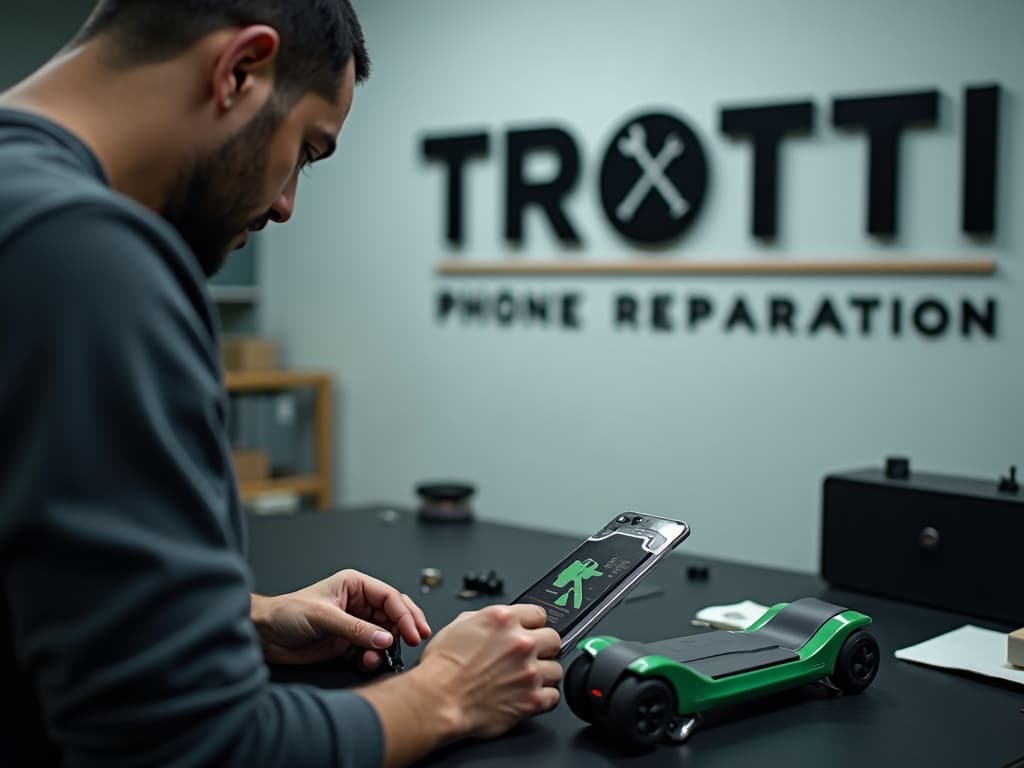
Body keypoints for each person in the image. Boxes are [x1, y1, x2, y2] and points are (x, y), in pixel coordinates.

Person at [0, 2, 562, 766]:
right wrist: (448, 693)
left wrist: (237, 620)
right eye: (305, 150)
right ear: (239, 70)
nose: (286, 205)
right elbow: (196, 750)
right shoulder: (87, 256)